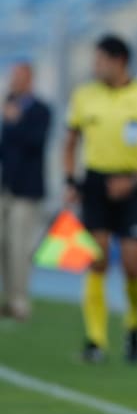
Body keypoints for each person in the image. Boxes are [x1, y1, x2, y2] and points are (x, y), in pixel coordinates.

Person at [64, 34, 137, 363]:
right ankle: (95, 340)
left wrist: (136, 180)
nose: (95, 67)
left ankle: (134, 324)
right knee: (96, 260)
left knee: (131, 264)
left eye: (100, 61)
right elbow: (70, 143)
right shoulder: (85, 96)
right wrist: (71, 180)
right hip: (96, 184)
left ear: (119, 61)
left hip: (133, 185)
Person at [0, 62, 51, 320]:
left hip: (26, 190)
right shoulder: (8, 108)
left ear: (29, 79)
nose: (13, 81)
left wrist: (15, 122)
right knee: (3, 245)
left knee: (20, 247)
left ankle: (20, 301)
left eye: (19, 76)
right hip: (4, 187)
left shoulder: (41, 110)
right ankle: (7, 298)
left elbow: (35, 143)